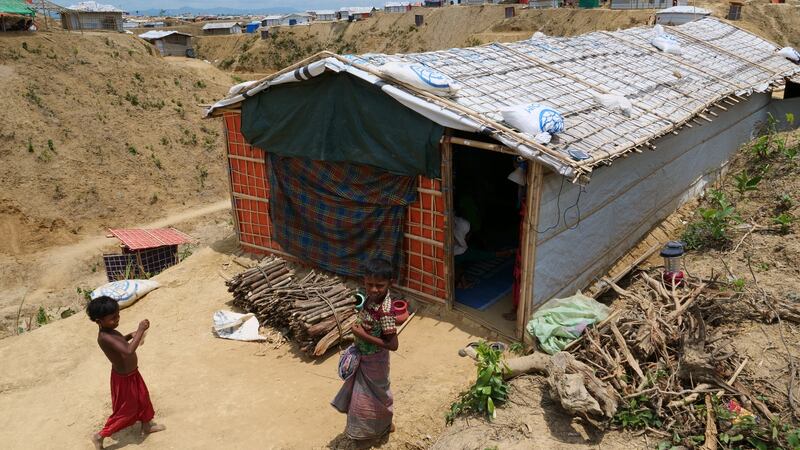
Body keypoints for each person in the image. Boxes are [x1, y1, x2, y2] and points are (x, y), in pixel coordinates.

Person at [331, 258, 399, 440]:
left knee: (375, 397)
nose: (374, 289)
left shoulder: (385, 312)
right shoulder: (371, 298)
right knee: (362, 397)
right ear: (364, 281)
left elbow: (393, 345)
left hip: (375, 361)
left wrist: (362, 335)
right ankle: (376, 426)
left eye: (380, 285)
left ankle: (380, 427)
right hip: (364, 357)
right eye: (370, 285)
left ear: (390, 283)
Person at [86, 296, 164, 449]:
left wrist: (131, 335)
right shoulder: (104, 337)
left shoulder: (110, 330)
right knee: (127, 410)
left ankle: (146, 426)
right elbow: (128, 350)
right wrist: (140, 330)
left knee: (143, 398)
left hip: (133, 374)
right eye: (112, 318)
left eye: (118, 316)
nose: (117, 320)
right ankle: (100, 436)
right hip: (124, 379)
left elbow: (121, 340)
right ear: (98, 321)